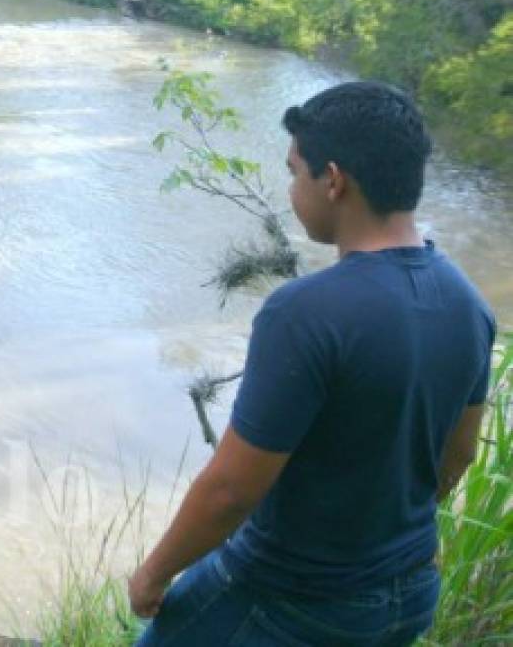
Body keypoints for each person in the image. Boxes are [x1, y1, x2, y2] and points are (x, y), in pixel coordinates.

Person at [129, 82, 496, 646]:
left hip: (290, 598)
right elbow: (459, 455)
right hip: (410, 592)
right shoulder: (467, 303)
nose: (291, 189)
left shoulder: (303, 313)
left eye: (295, 171)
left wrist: (154, 574)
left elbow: (230, 491)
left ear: (333, 180)